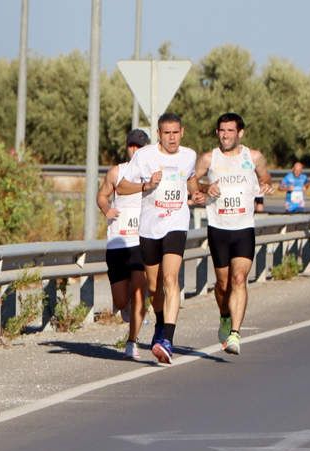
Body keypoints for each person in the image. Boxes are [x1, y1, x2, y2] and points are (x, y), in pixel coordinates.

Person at [116, 113, 198, 364]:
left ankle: (167, 340)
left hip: (176, 223)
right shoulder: (145, 156)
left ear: (182, 132)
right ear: (159, 134)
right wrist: (146, 186)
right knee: (154, 286)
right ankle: (161, 324)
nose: (172, 138)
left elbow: (191, 178)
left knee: (171, 278)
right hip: (150, 227)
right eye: (166, 133)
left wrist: (197, 193)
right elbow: (122, 187)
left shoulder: (189, 155)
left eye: (176, 133)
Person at [192, 113, 272, 355]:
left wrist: (266, 183)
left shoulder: (253, 156)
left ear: (240, 133)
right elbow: (192, 182)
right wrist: (206, 187)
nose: (225, 135)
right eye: (221, 131)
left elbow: (265, 176)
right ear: (217, 133)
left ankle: (235, 333)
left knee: (239, 279)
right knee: (223, 284)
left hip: (244, 227)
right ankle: (225, 316)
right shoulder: (209, 158)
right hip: (219, 227)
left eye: (229, 131)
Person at [96, 129, 150, 359]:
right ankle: (130, 309)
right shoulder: (117, 172)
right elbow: (102, 195)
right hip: (118, 242)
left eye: (139, 147)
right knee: (120, 300)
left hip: (142, 241)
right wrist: (107, 208)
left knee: (139, 289)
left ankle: (132, 341)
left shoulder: (153, 175)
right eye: (132, 146)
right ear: (127, 148)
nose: (135, 150)